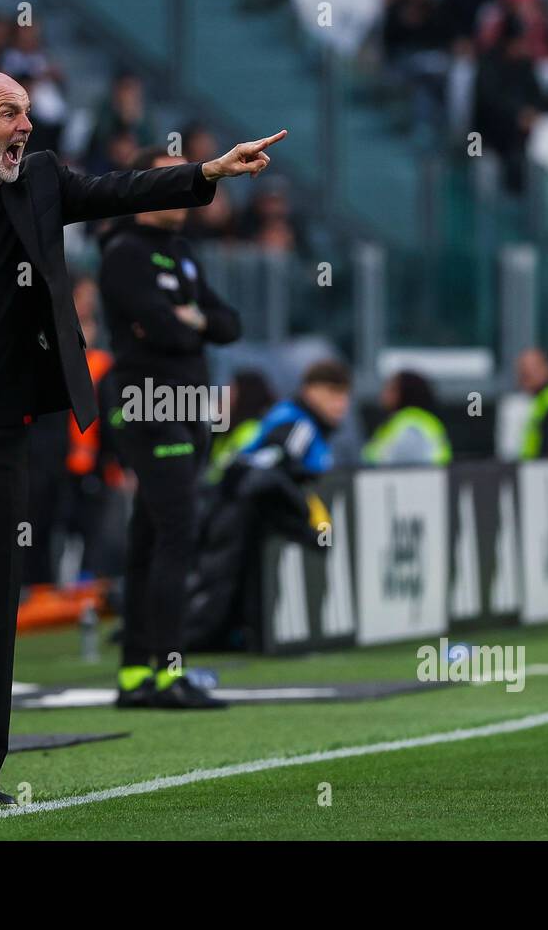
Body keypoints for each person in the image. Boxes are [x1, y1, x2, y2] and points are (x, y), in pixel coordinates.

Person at [0, 68, 286, 813]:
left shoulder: (39, 182)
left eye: (28, 114)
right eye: (9, 114)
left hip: (3, 436)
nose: (25, 128)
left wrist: (205, 171)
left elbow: (119, 191)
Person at [99, 145, 243, 709]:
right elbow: (162, 330)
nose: (183, 197)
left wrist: (196, 320)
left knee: (151, 536)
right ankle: (166, 669)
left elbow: (229, 324)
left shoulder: (182, 253)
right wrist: (190, 325)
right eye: (169, 181)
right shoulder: (124, 253)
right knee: (179, 532)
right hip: (149, 403)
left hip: (189, 403)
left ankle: (137, 672)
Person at [185, 359, 350, 651]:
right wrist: (304, 521)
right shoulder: (299, 424)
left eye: (345, 396)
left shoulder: (301, 422)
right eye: (334, 394)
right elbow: (266, 471)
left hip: (235, 504)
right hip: (232, 507)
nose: (342, 404)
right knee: (214, 592)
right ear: (311, 391)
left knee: (225, 588)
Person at [363, 370, 452, 466]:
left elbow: (407, 468)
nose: (383, 393)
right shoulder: (400, 421)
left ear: (405, 393)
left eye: (391, 389)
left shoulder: (411, 424)